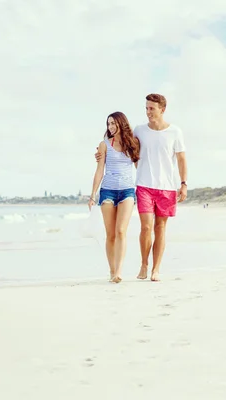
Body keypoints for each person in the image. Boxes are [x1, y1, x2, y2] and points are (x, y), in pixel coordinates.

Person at [95, 94, 188, 281]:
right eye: (146, 108)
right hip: (143, 185)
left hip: (167, 187)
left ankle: (156, 269)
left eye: (151, 109)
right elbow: (121, 140)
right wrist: (100, 153)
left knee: (160, 228)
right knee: (146, 227)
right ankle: (144, 265)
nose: (148, 112)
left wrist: (183, 184)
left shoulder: (175, 132)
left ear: (162, 109)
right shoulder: (139, 131)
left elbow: (181, 159)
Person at [88, 111, 140, 283]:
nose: (110, 127)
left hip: (127, 191)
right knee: (110, 234)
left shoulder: (133, 143)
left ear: (121, 123)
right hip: (108, 191)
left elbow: (140, 166)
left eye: (113, 123)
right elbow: (99, 170)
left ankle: (119, 271)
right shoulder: (104, 145)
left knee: (120, 231)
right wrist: (93, 194)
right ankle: (111, 271)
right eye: (108, 124)